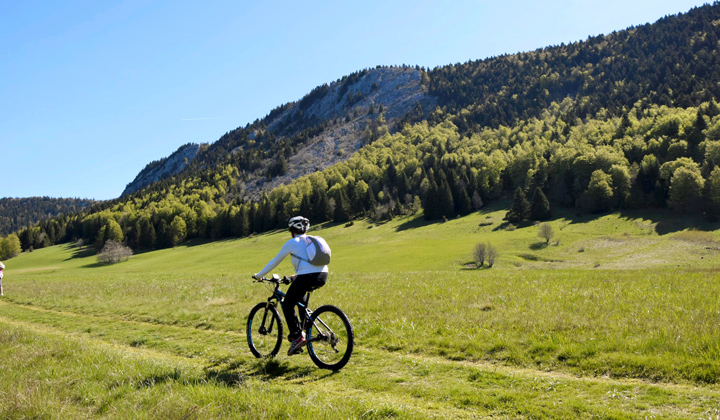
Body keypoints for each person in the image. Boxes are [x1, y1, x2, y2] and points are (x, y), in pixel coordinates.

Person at [252, 216, 328, 356]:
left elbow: (275, 261)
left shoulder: (293, 242)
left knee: (287, 304)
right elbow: (309, 264)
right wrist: (294, 277)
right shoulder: (311, 240)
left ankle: (297, 337)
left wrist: (259, 275)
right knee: (300, 303)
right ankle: (306, 329)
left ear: (292, 229)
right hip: (322, 275)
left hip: (307, 277)